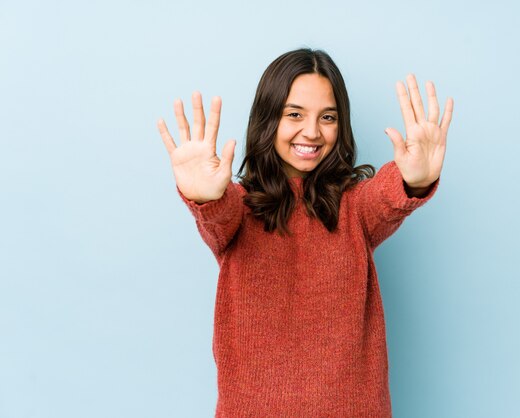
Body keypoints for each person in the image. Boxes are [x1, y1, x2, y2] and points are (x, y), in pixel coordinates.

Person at [157, 48, 453, 417]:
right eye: (294, 114)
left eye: (327, 117)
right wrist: (203, 197)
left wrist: (414, 179)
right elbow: (218, 216)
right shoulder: (239, 209)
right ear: (268, 118)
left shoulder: (354, 208)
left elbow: (384, 197)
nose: (312, 132)